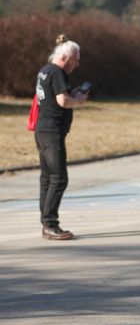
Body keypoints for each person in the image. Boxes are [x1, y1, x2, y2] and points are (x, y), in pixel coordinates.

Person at [34, 34, 88, 240]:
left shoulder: (45, 71)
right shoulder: (58, 73)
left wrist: (71, 94)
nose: (77, 64)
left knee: (47, 178)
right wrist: (78, 100)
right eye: (76, 59)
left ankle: (46, 221)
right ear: (66, 57)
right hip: (52, 132)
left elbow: (53, 96)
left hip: (42, 130)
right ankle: (50, 224)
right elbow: (63, 101)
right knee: (59, 178)